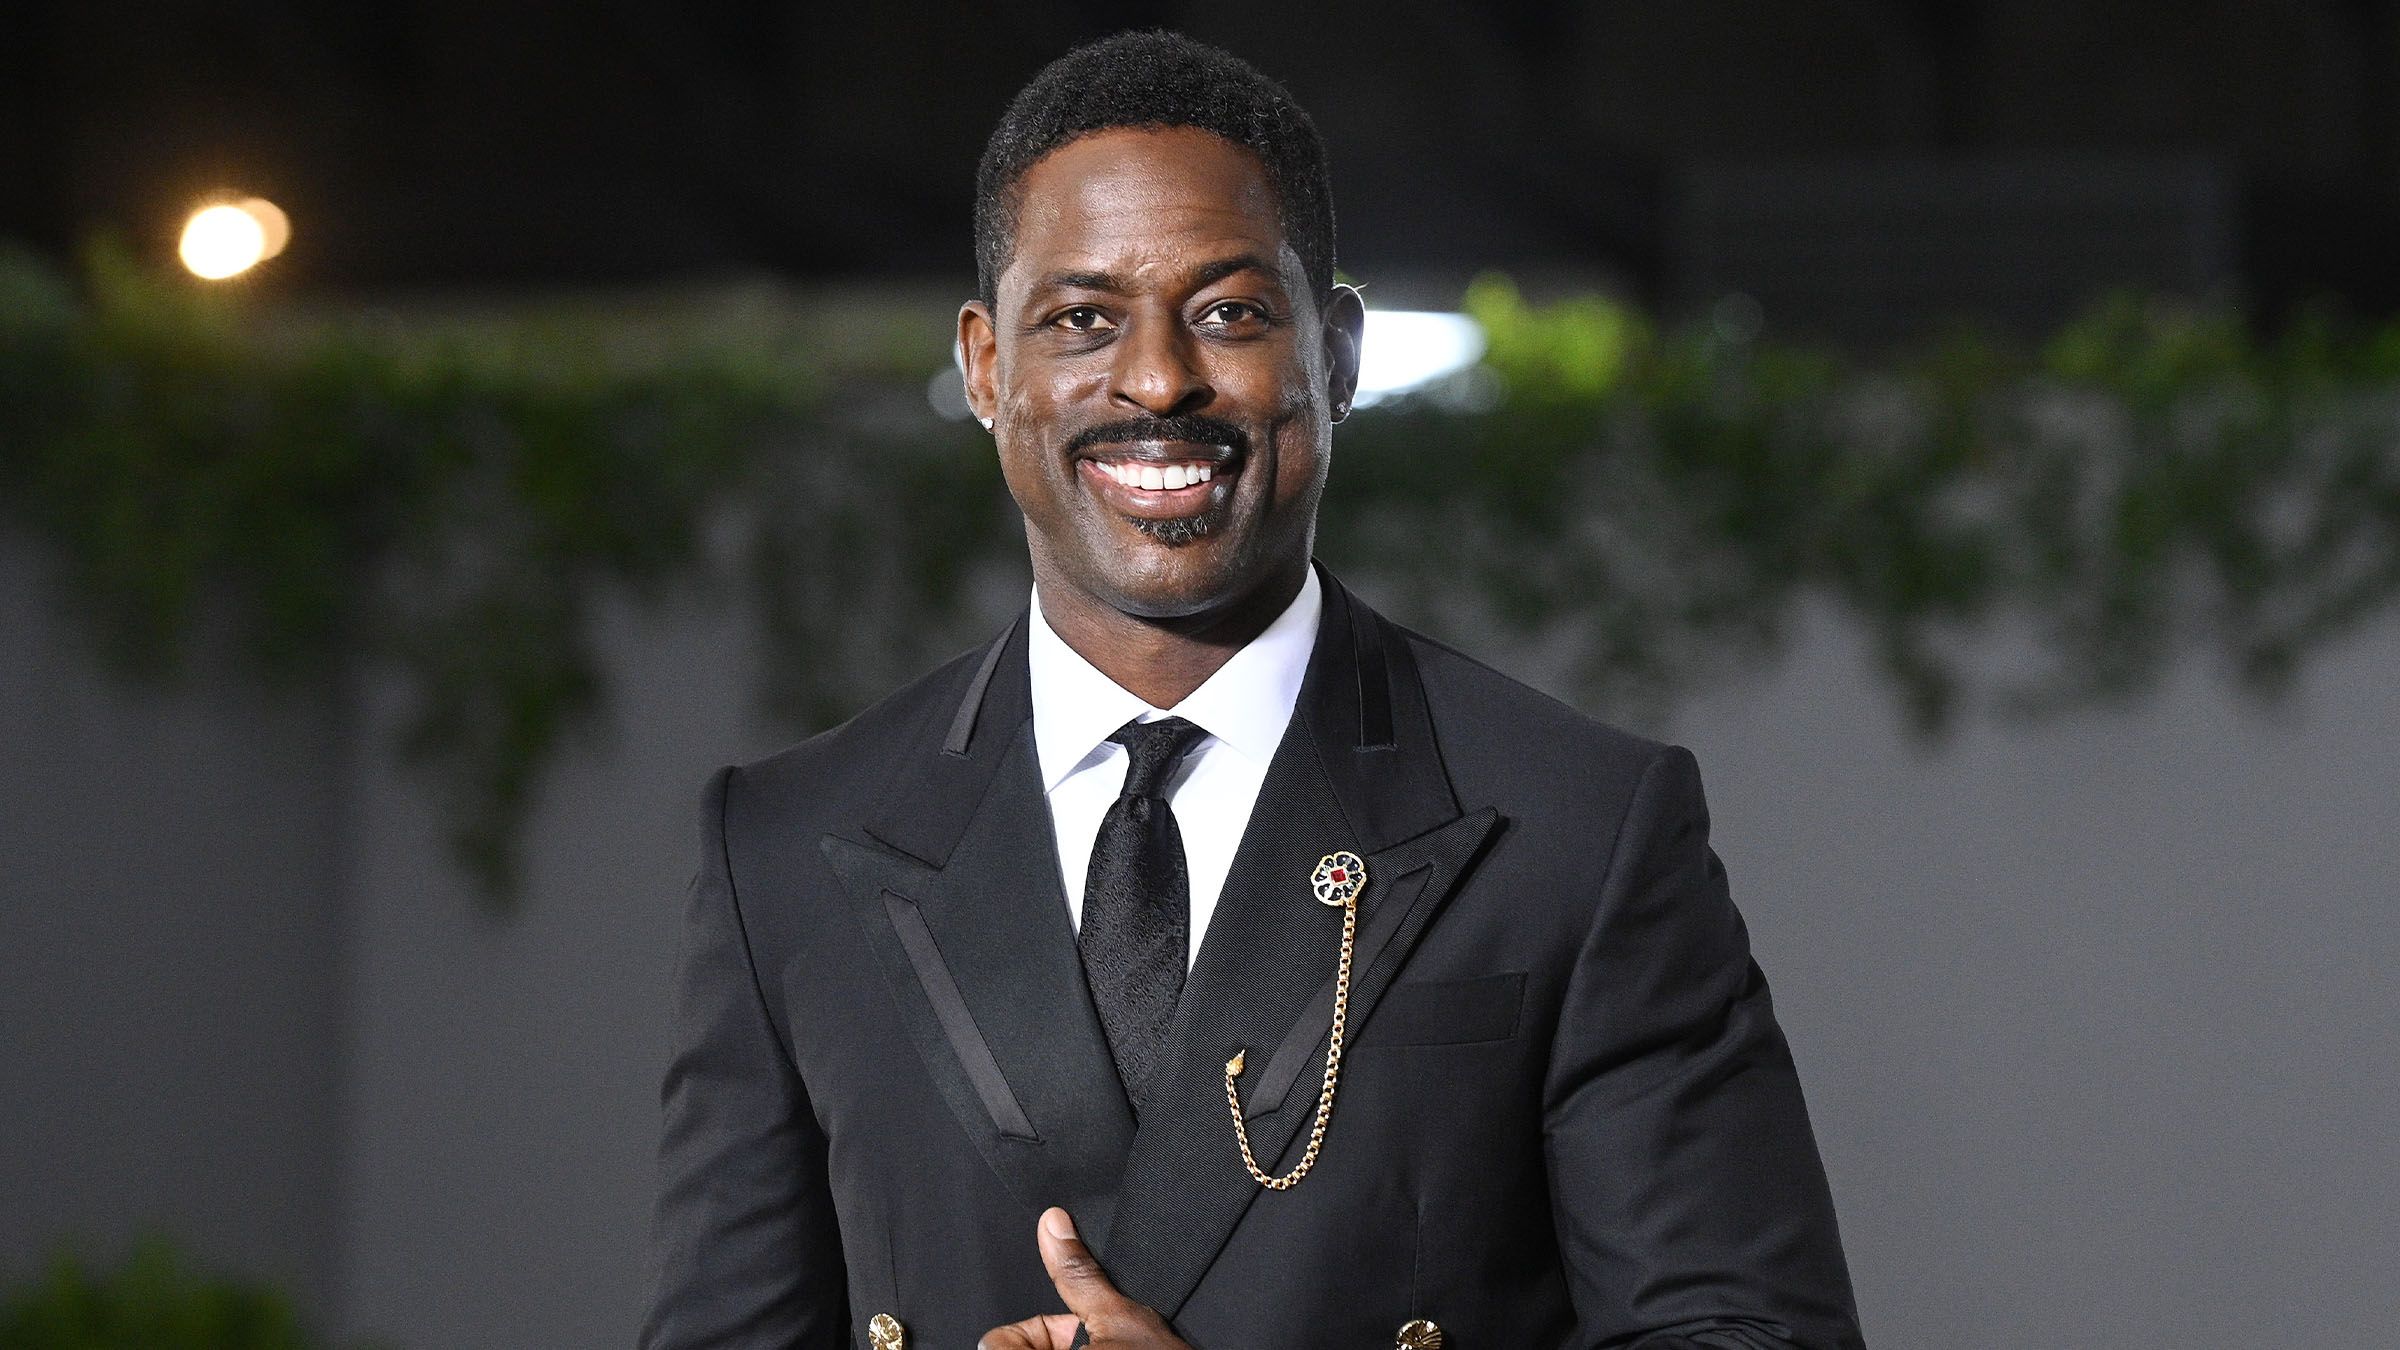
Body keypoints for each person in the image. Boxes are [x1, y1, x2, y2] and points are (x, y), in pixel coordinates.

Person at [643, 30, 1862, 1350]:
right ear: (988, 366)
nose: (1159, 379)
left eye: (1229, 313)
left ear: (1335, 354)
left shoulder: (1578, 828)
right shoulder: (787, 854)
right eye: (1083, 319)